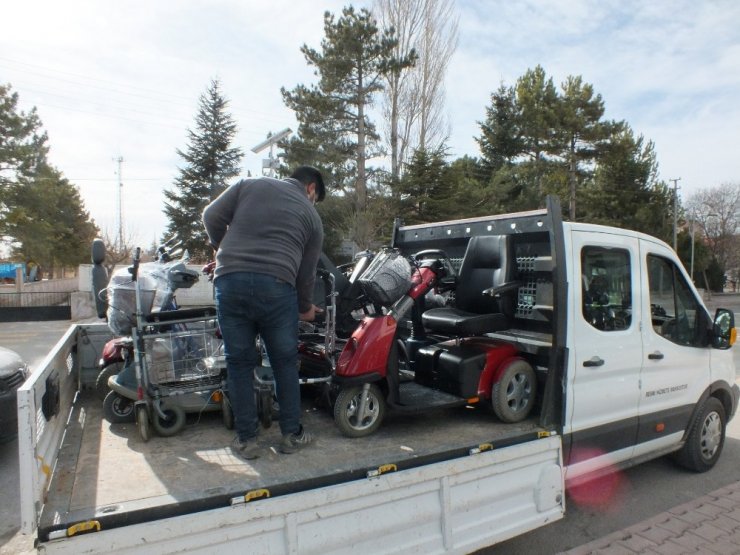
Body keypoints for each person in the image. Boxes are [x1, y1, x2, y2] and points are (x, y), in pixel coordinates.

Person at [203, 166, 325, 459]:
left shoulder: (249, 184)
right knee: (284, 362)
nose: (313, 203)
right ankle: (292, 436)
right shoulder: (312, 217)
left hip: (229, 282)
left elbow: (210, 216)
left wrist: (223, 249)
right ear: (310, 188)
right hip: (277, 286)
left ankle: (247, 441)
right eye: (316, 198)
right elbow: (306, 274)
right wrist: (305, 309)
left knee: (239, 363)